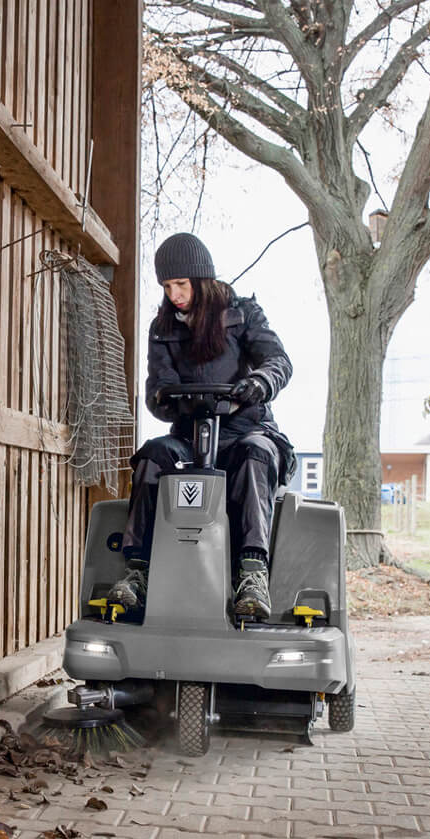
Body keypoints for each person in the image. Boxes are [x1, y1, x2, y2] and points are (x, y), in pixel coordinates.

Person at [108, 232, 295, 620]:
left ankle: (252, 574)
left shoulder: (242, 315)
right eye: (167, 286)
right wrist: (172, 399)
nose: (174, 294)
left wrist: (258, 384)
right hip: (190, 438)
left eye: (181, 284)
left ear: (201, 280)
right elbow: (157, 391)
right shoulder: (163, 329)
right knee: (154, 455)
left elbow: (278, 362)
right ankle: (137, 573)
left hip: (245, 429)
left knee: (256, 453)